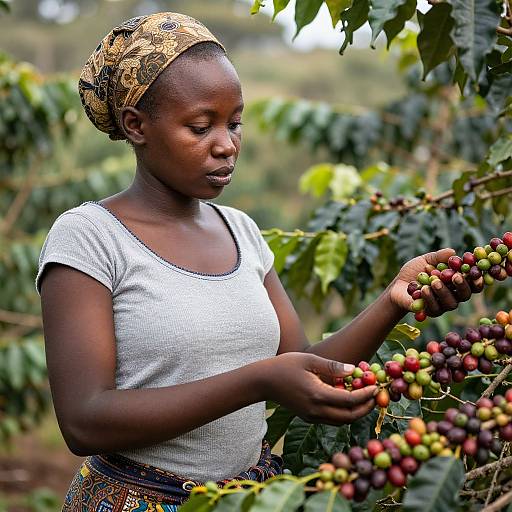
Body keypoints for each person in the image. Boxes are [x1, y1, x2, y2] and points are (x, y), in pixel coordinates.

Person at [35, 11, 482, 511]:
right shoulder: (91, 238)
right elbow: (84, 420)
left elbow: (306, 366)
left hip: (250, 498)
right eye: (200, 127)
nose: (226, 145)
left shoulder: (241, 232)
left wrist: (394, 301)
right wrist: (260, 380)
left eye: (235, 123)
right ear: (136, 126)